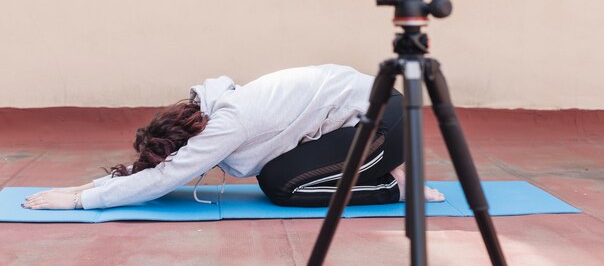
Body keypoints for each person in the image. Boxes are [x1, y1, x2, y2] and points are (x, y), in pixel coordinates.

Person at [23, 64, 444, 210]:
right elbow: (161, 168)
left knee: (283, 186)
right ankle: (384, 167)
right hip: (365, 117)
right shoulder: (214, 109)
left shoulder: (228, 124)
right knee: (277, 175)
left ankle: (395, 185)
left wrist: (82, 201)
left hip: (387, 121)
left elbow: (164, 178)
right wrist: (86, 185)